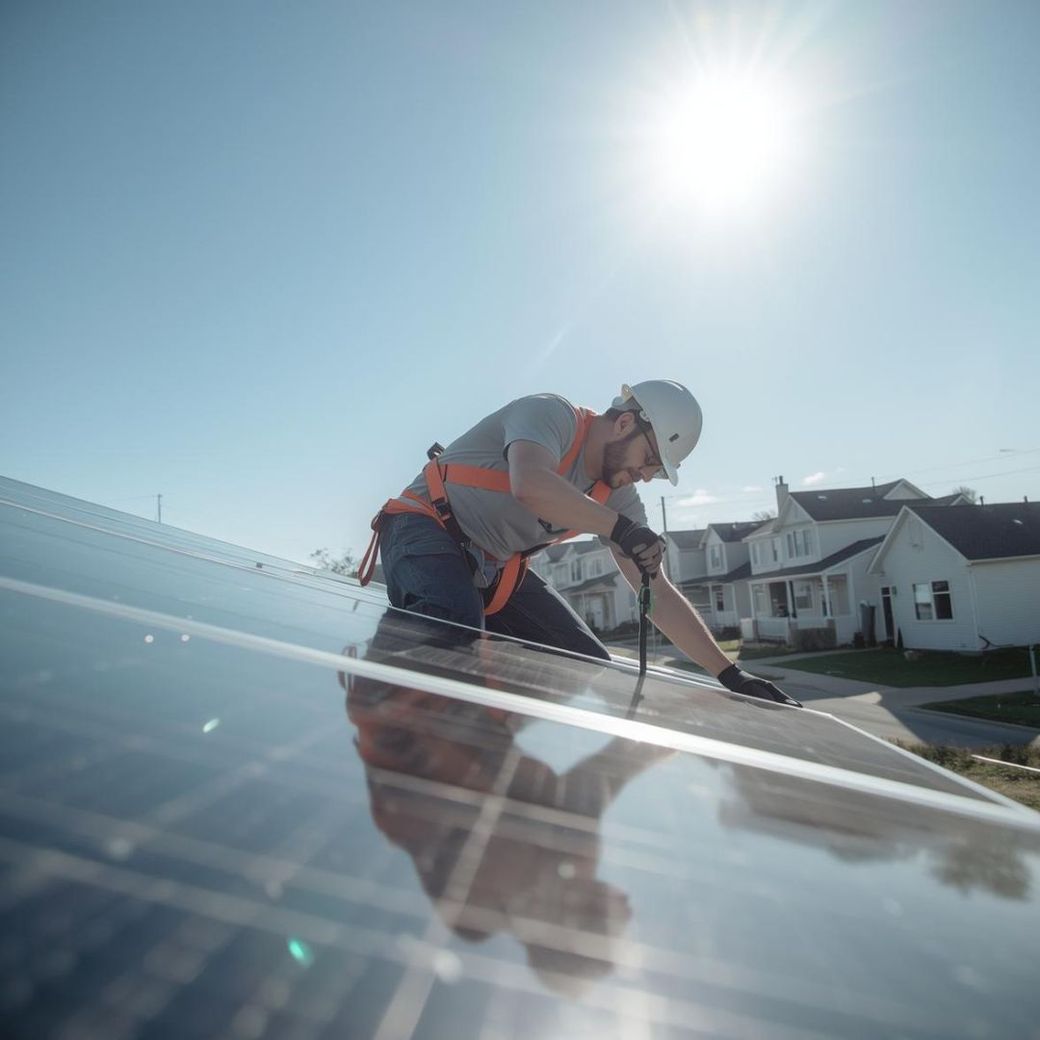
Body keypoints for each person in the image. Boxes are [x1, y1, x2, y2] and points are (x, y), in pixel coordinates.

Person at [359, 380, 800, 707]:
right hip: (423, 526)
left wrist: (729, 672)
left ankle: (488, 742)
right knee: (451, 622)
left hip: (490, 568)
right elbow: (530, 483)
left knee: (584, 660)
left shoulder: (619, 496)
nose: (647, 477)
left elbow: (657, 596)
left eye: (658, 472)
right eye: (649, 460)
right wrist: (619, 529)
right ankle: (382, 695)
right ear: (624, 423)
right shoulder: (552, 415)